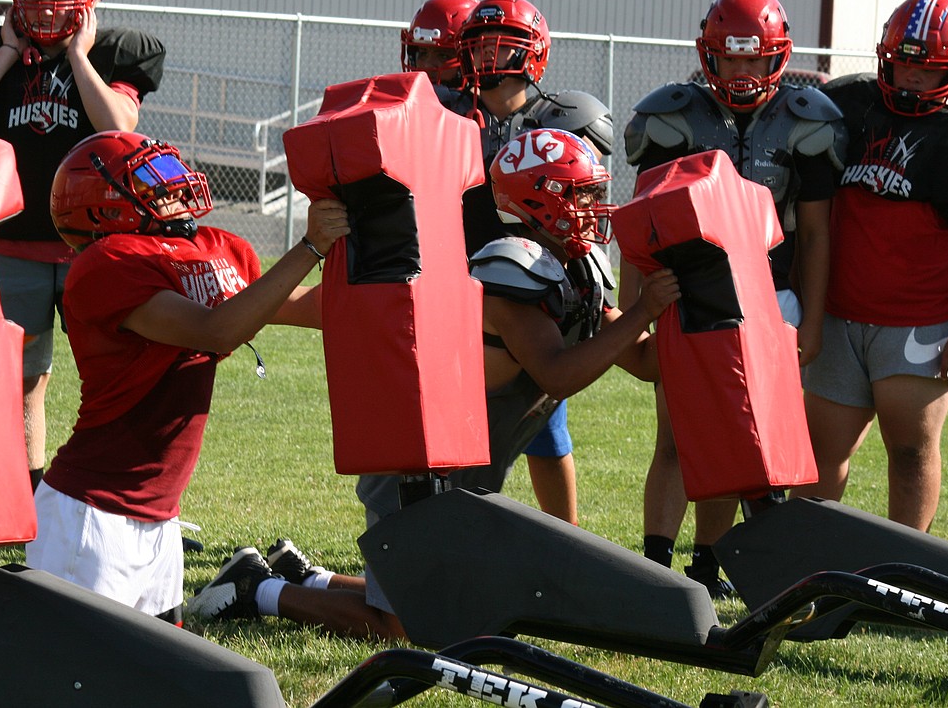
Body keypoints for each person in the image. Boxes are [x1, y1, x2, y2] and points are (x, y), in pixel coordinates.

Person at [0, 131, 349, 678]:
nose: (175, 186)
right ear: (104, 202)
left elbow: (312, 308)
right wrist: (309, 248)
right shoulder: (105, 266)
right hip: (93, 514)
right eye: (152, 180)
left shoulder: (206, 249)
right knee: (25, 673)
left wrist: (368, 242)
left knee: (147, 677)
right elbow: (216, 329)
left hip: (158, 515)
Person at [188, 129, 679, 639]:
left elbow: (643, 360)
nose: (596, 207)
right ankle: (254, 590)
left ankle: (305, 576)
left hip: (460, 470)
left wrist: (691, 313)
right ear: (541, 199)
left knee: (458, 603)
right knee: (408, 628)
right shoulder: (515, 271)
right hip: (417, 462)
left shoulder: (576, 268)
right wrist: (645, 307)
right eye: (583, 194)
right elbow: (558, 371)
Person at [621, 0, 846, 597]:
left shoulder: (808, 119)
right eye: (731, 58)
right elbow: (640, 223)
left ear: (777, 57)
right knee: (677, 436)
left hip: (771, 295)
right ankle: (654, 569)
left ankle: (707, 565)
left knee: (752, 440)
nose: (742, 71)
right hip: (689, 295)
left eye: (754, 58)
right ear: (709, 54)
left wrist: (816, 320)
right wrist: (635, 308)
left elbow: (819, 234)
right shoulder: (672, 116)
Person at [0, 0, 165, 492]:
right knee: (21, 380)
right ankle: (27, 494)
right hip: (12, 242)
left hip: (93, 244)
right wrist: (4, 54)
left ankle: (122, 490)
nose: (45, 6)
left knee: (118, 374)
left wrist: (77, 57)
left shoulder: (115, 50)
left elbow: (118, 124)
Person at [792, 0, 948, 532]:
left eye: (927, 68)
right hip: (840, 311)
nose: (911, 78)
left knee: (911, 451)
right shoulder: (848, 104)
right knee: (822, 451)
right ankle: (809, 559)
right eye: (903, 63)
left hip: (922, 321)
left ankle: (902, 567)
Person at [449, 0, 616, 525]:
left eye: (504, 47)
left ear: (534, 54)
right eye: (480, 47)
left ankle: (565, 537)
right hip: (475, 277)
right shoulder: (448, 117)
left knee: (548, 428)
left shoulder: (568, 120)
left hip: (542, 284)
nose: (491, 59)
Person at [400, 0, 478, 91]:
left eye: (443, 56)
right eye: (422, 53)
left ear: (470, 62)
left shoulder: (490, 105)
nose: (427, 65)